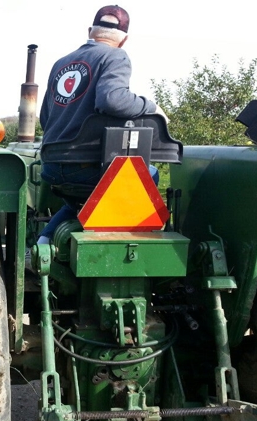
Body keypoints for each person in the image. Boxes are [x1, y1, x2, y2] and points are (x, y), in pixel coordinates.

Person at [37, 5, 166, 244]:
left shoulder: (61, 63)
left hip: (52, 167)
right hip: (86, 169)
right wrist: (151, 107)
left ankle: (42, 244)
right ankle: (120, 244)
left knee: (78, 202)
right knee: (149, 174)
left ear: (90, 31)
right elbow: (113, 100)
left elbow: (45, 117)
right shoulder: (115, 56)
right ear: (124, 40)